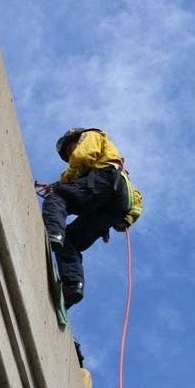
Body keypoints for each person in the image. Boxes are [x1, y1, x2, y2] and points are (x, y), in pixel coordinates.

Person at [42, 127, 143, 309]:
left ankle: (53, 233)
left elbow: (83, 157)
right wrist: (127, 219)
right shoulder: (122, 172)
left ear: (76, 138)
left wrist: (64, 181)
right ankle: (73, 287)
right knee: (70, 240)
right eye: (67, 153)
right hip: (114, 206)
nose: (71, 153)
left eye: (70, 148)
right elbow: (136, 200)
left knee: (57, 197)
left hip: (105, 182)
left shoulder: (91, 136)